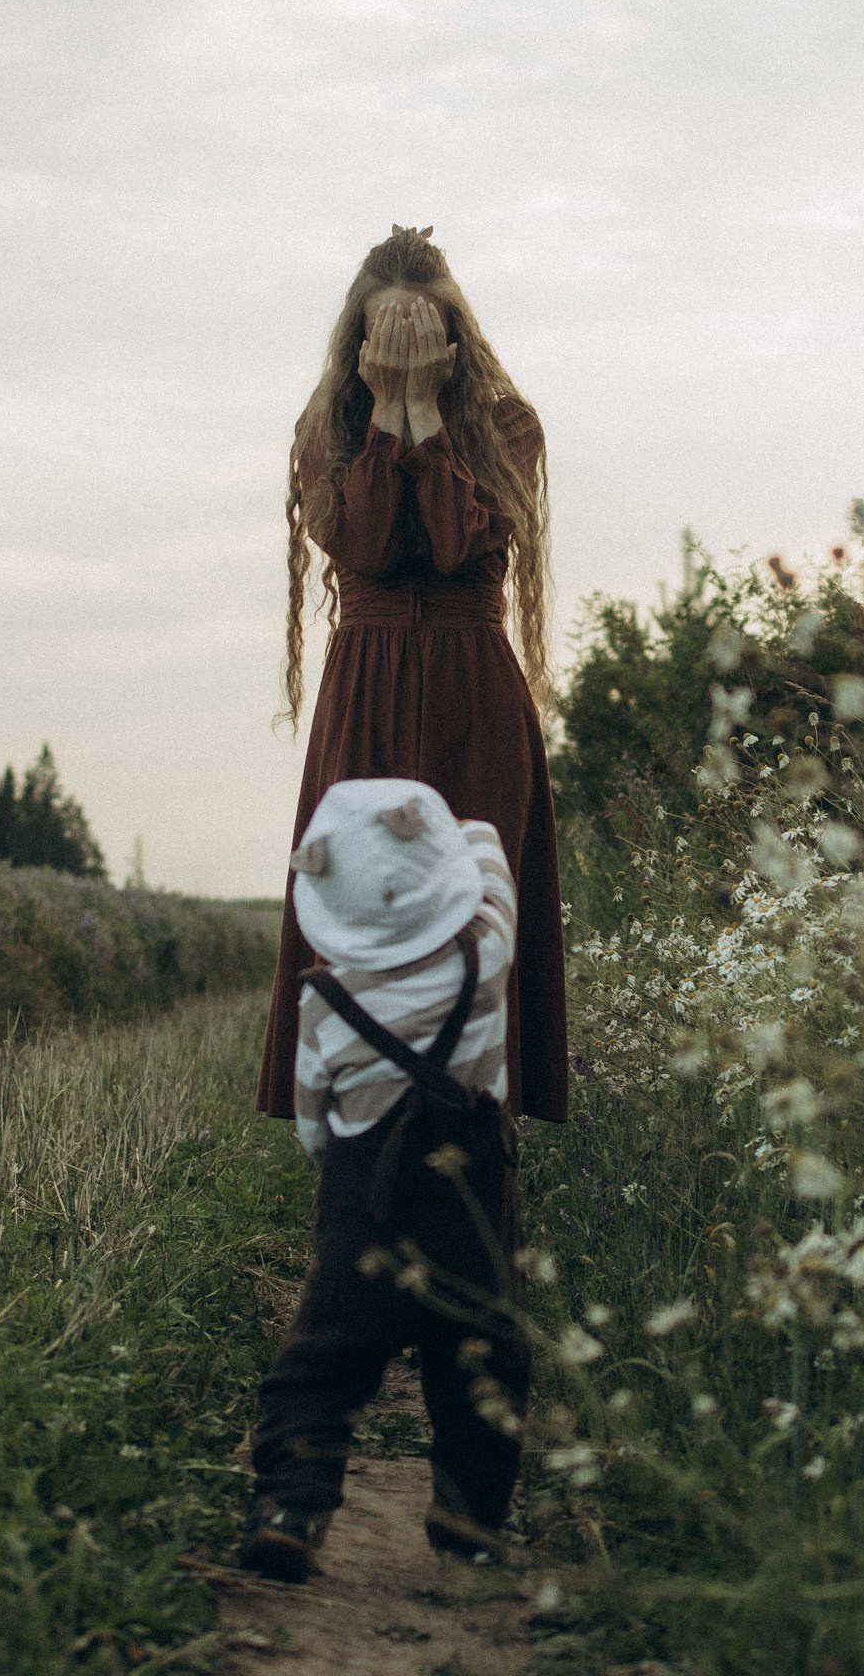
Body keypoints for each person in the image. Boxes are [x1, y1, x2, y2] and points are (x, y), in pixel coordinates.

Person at [259, 224, 568, 1128]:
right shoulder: (326, 432)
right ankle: (359, 1138)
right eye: (383, 335)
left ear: (453, 338)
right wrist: (384, 416)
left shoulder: (509, 425)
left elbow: (457, 541)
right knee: (362, 906)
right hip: (366, 690)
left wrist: (425, 412)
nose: (400, 352)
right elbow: (364, 546)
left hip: (475, 690)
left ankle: (471, 1150)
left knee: (475, 917)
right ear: (356, 340)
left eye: (419, 333)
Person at [241, 777, 531, 1582]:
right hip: (469, 1214)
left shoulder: (325, 1001)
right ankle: (470, 1523)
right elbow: (492, 861)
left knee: (319, 1364)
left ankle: (291, 1507)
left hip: (362, 1217)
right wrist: (456, 822)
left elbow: (313, 1126)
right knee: (482, 1362)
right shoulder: (489, 954)